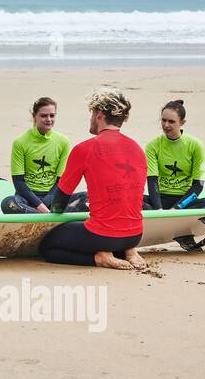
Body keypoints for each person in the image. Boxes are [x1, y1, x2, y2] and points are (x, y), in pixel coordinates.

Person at [38, 90, 147, 270]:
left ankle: (100, 258)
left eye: (92, 114)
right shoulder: (137, 149)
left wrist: (58, 212)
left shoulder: (85, 149)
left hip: (102, 235)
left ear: (99, 115)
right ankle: (129, 252)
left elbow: (59, 202)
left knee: (48, 247)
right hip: (135, 235)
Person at [145, 99, 205, 249]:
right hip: (160, 198)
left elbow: (198, 185)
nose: (166, 125)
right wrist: (159, 211)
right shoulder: (153, 146)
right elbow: (152, 181)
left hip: (186, 199)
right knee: (130, 200)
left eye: (171, 121)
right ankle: (182, 233)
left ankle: (187, 231)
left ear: (182, 122)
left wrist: (176, 209)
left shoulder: (195, 145)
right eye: (163, 120)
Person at [1, 96, 79, 214]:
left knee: (86, 198)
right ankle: (53, 216)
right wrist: (40, 206)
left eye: (52, 115)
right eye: (43, 116)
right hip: (27, 197)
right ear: (34, 116)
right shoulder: (20, 142)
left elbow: (61, 180)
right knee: (8, 203)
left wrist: (47, 202)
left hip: (53, 196)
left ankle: (37, 216)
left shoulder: (63, 141)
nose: (48, 119)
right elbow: (18, 182)